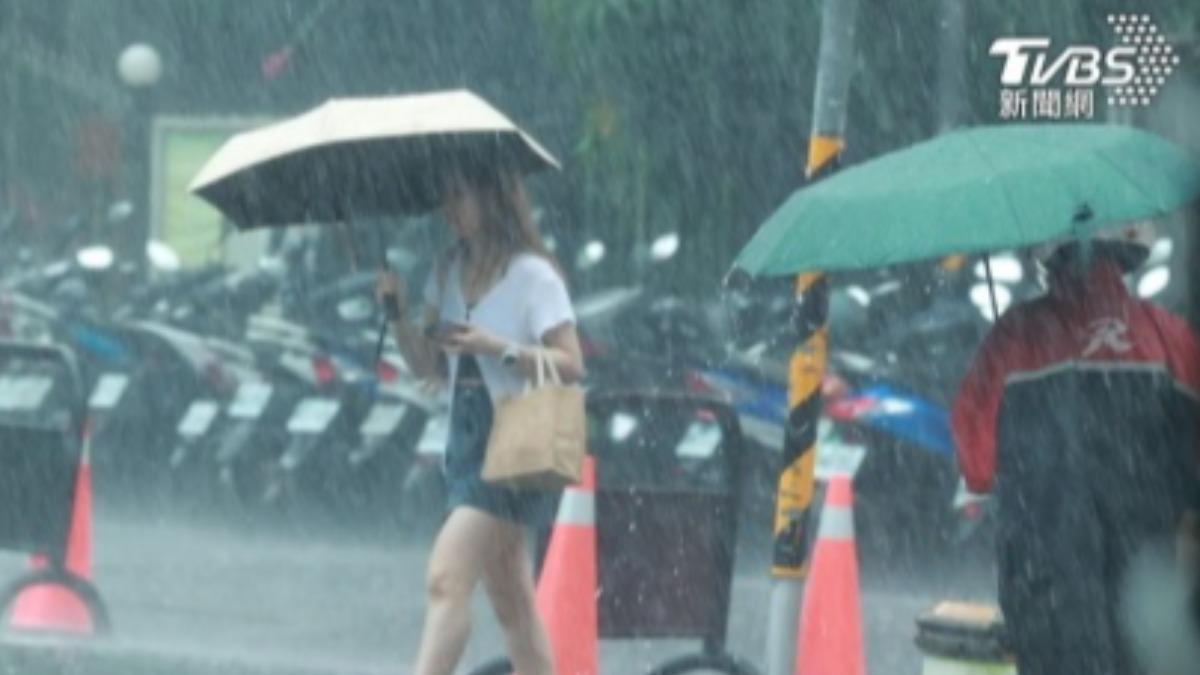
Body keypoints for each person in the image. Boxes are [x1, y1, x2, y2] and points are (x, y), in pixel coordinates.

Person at [951, 224, 1200, 675]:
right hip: (1148, 582)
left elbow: (978, 466)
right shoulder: (1171, 338)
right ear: (1129, 254)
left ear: (1050, 255)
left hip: (1044, 576)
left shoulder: (1013, 337)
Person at [376, 163, 584, 675]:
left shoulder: (532, 275)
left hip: (512, 447)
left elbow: (572, 364)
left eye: (459, 196)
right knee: (513, 605)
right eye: (445, 198)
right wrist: (398, 316)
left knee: (447, 579)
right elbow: (427, 366)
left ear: (492, 198)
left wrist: (501, 349)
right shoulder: (446, 271)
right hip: (463, 447)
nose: (450, 209)